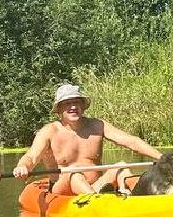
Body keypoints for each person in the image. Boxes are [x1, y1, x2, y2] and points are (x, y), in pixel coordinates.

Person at [10, 84, 164, 196]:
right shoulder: (49, 131)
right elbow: (32, 156)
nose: (73, 107)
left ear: (83, 106)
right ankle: (96, 202)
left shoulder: (98, 125)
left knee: (121, 167)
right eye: (67, 103)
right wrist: (23, 166)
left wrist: (162, 157)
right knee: (74, 173)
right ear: (59, 109)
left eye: (76, 102)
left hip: (96, 186)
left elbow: (131, 141)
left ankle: (143, 196)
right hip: (63, 190)